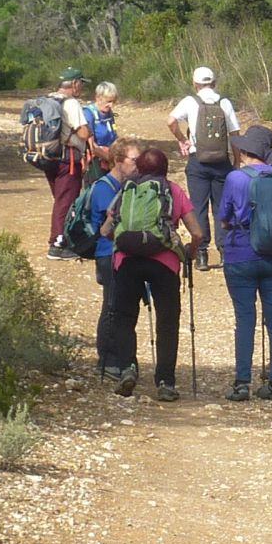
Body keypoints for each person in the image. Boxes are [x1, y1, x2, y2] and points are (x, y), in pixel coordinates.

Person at [106, 147, 203, 401]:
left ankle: (128, 368)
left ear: (140, 168)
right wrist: (190, 252)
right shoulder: (173, 190)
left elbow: (107, 228)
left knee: (125, 318)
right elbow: (198, 233)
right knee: (167, 323)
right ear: (165, 168)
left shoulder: (127, 190)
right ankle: (165, 381)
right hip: (164, 263)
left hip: (127, 261)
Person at [218, 125, 272, 401]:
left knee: (245, 319)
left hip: (241, 256)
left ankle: (241, 383)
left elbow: (224, 217)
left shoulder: (236, 178)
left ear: (245, 151)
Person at [166, 66, 241, 272]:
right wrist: (236, 160)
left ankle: (202, 255)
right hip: (221, 161)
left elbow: (171, 121)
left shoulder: (190, 102)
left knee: (198, 206)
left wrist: (183, 140)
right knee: (221, 206)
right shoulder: (224, 103)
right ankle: (225, 251)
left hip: (197, 160)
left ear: (195, 84)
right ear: (214, 83)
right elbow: (235, 134)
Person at [89, 137, 140, 380]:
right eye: (134, 160)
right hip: (107, 254)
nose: (138, 165)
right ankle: (107, 359)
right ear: (119, 161)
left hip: (123, 254)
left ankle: (124, 357)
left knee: (123, 307)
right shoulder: (102, 187)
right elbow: (106, 227)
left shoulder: (128, 186)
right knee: (110, 306)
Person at [46, 67, 91, 260]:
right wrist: (88, 132)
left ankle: (61, 239)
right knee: (66, 201)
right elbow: (83, 132)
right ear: (74, 84)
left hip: (49, 157)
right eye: (81, 83)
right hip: (69, 158)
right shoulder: (71, 103)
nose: (81, 87)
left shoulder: (49, 99)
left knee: (60, 199)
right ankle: (58, 244)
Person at [82, 81, 119, 186]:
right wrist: (110, 159)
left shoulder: (109, 113)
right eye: (108, 101)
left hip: (110, 159)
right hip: (95, 162)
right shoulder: (88, 114)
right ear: (98, 98)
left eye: (113, 101)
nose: (111, 105)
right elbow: (91, 145)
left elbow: (114, 135)